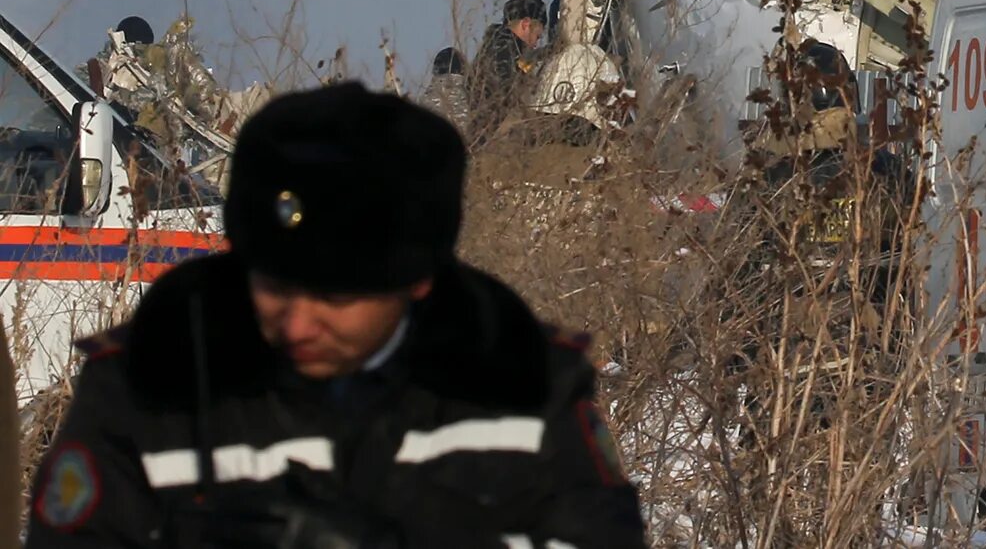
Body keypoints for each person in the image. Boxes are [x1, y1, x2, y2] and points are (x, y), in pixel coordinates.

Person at [24, 82, 649, 548]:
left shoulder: (521, 387)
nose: (297, 324)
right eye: (274, 287)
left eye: (336, 298)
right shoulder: (149, 387)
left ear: (418, 282)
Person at [469, 0, 547, 141]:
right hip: (479, 138)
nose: (536, 44)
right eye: (537, 36)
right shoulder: (503, 48)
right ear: (525, 24)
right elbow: (506, 89)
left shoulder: (499, 45)